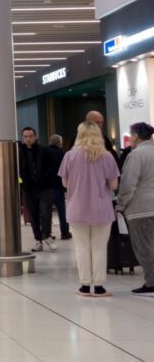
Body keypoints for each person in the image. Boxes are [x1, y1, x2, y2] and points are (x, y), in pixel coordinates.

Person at [58, 121, 120, 297]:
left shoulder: (70, 155)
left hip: (77, 209)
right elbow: (114, 185)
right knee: (100, 248)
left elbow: (65, 183)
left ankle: (85, 286)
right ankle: (99, 287)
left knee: (82, 249)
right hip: (101, 209)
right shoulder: (107, 156)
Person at [117, 122, 154, 297]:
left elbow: (128, 184)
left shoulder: (136, 155)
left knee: (144, 247)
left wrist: (121, 205)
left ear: (136, 136)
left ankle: (152, 283)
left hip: (141, 209)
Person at [19, 126, 58, 252]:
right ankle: (38, 240)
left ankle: (46, 235)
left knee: (45, 212)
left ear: (35, 137)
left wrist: (47, 179)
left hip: (45, 188)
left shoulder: (45, 151)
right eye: (25, 137)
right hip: (29, 189)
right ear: (22, 138)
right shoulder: (19, 153)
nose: (28, 139)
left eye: (30, 136)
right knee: (33, 215)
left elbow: (53, 166)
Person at [48, 134, 72, 240]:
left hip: (46, 186)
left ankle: (47, 233)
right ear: (60, 143)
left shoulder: (45, 152)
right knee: (61, 210)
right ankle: (64, 232)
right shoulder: (63, 154)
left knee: (46, 211)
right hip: (58, 186)